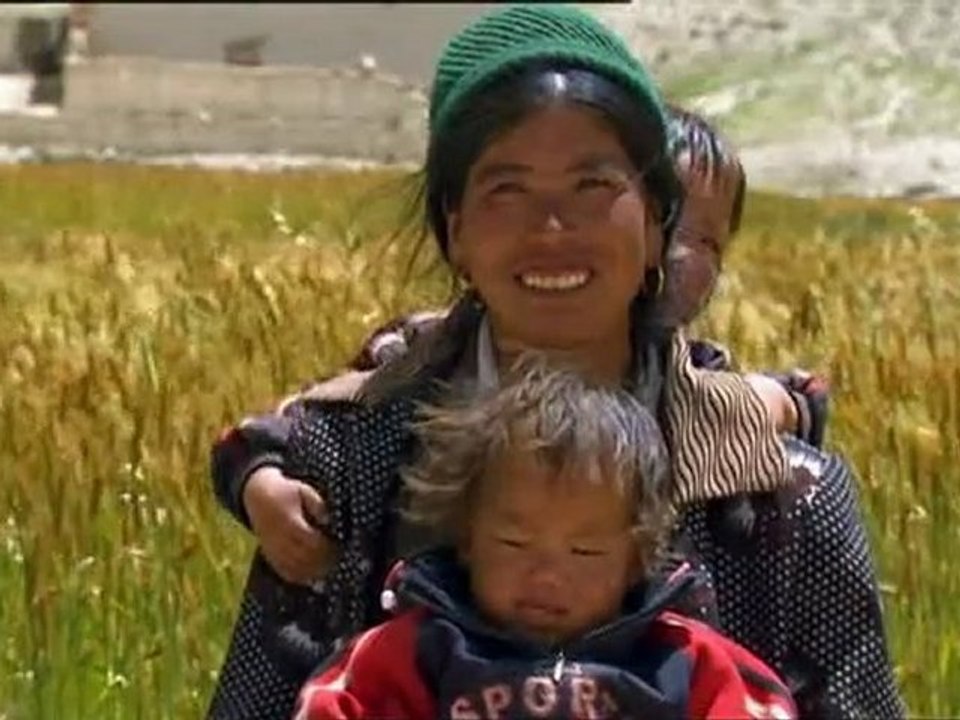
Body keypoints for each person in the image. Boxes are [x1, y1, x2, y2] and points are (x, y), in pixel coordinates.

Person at [205, 5, 903, 719]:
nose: (551, 229)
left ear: (659, 222)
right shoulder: (343, 467)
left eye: (593, 187)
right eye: (507, 190)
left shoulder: (781, 495)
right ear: (457, 230)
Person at [293, 360, 797, 720]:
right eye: (513, 543)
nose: (547, 576)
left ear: (636, 559)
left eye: (586, 551)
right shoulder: (414, 653)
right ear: (467, 539)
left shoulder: (686, 661)